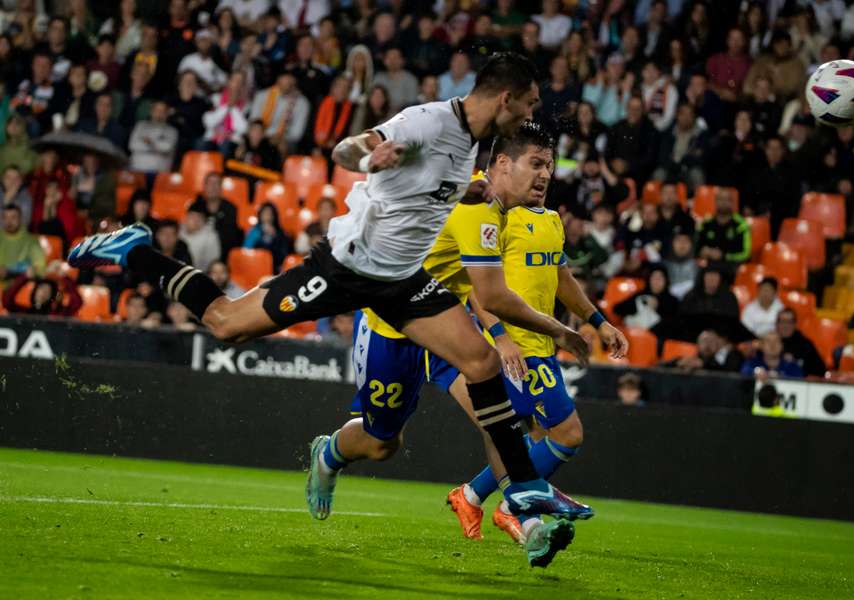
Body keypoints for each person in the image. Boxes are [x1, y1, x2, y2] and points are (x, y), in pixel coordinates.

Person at [67, 53, 595, 528]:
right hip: (347, 266)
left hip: (405, 280)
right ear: (505, 97)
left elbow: (427, 187)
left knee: (481, 364)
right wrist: (369, 158)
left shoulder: (472, 144)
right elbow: (347, 148)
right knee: (226, 324)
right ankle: (136, 250)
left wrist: (467, 188)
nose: (529, 115)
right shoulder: (428, 121)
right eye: (528, 103)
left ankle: (524, 489)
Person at [319, 124, 625, 565]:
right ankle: (329, 455)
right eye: (536, 164)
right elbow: (492, 294)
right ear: (503, 164)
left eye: (549, 167)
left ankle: (527, 523)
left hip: (443, 323)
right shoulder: (479, 207)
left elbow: (485, 287)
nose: (545, 175)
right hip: (394, 324)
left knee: (499, 418)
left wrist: (588, 320)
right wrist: (543, 332)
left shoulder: (516, 213)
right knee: (380, 442)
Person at [188, 172, 243, 259]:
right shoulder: (195, 206)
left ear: (221, 188)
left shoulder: (230, 209)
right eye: (209, 183)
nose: (213, 187)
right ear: (204, 186)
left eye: (216, 183)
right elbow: (189, 231)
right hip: (197, 251)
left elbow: (231, 238)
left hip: (222, 255)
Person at [696, 187, 751, 266]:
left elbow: (745, 254)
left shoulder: (741, 225)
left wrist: (724, 256)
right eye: (720, 199)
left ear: (732, 203)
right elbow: (696, 249)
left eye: (726, 199)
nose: (723, 202)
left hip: (731, 267)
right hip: (709, 268)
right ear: (715, 202)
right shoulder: (706, 223)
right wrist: (704, 252)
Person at [1, 265, 82, 316]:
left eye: (48, 291)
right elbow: (7, 301)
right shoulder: (24, 313)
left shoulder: (56, 315)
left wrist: (65, 278)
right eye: (41, 289)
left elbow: (76, 303)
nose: (43, 293)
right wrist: (25, 277)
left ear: (51, 297)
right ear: (34, 292)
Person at [129, 100, 178, 176]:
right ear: (151, 111)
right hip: (136, 170)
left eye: (163, 111)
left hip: (159, 174)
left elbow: (166, 148)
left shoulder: (172, 131)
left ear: (167, 113)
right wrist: (156, 146)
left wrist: (148, 142)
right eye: (156, 110)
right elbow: (133, 145)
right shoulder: (140, 125)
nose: (159, 113)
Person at [659, 329, 743, 373]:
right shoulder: (688, 359)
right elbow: (661, 366)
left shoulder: (721, 363)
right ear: (698, 344)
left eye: (711, 341)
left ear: (717, 345)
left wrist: (703, 365)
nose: (708, 344)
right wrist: (677, 363)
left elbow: (726, 373)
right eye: (704, 341)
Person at [775, 307, 826, 378]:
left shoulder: (805, 344)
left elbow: (821, 370)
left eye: (789, 322)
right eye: (783, 321)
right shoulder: (769, 342)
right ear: (777, 324)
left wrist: (796, 363)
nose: (785, 325)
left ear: (795, 324)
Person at [0, 204, 45, 283]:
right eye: (5, 218)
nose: (9, 222)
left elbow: (40, 268)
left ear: (20, 219)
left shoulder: (31, 241)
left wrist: (32, 271)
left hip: (22, 286)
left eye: (13, 217)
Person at [243, 202, 292, 272]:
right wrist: (259, 236)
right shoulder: (254, 231)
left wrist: (275, 237)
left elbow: (283, 255)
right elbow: (246, 250)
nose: (267, 216)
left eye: (270, 214)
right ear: (260, 215)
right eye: (265, 214)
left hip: (274, 268)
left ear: (274, 216)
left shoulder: (280, 233)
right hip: (255, 265)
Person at [372, 46, 419, 114]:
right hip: (379, 117)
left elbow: (412, 105)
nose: (392, 61)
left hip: (403, 119)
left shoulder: (411, 79)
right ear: (384, 61)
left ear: (402, 60)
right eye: (389, 58)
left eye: (396, 58)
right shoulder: (378, 78)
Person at [180, 206, 221, 273]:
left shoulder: (211, 237)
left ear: (204, 221)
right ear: (186, 217)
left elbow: (212, 263)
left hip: (199, 274)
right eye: (192, 216)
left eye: (199, 217)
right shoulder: (177, 230)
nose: (195, 221)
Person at [664, 232, 698, 300]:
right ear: (672, 243)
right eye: (678, 240)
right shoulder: (663, 266)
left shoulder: (699, 267)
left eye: (686, 241)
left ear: (691, 245)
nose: (682, 244)